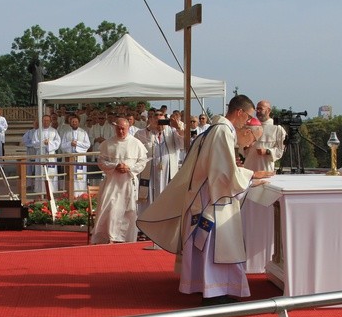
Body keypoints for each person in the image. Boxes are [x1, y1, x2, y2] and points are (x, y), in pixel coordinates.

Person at [137, 95, 273, 305]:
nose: (247, 122)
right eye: (248, 117)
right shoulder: (221, 132)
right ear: (239, 112)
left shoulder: (216, 129)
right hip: (212, 199)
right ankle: (214, 293)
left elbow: (220, 167)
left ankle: (212, 289)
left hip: (206, 196)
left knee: (211, 246)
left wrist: (244, 175)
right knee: (217, 245)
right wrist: (251, 176)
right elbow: (222, 173)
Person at [91, 117, 149, 244]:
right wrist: (114, 166)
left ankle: (126, 238)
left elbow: (142, 161)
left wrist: (130, 168)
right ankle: (110, 237)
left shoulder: (136, 143)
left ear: (128, 128)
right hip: (112, 182)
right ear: (114, 128)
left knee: (129, 211)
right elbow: (101, 162)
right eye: (118, 128)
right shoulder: (108, 143)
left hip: (128, 182)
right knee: (110, 207)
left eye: (123, 128)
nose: (121, 131)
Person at [134, 110, 184, 213]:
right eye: (155, 117)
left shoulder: (172, 132)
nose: (158, 120)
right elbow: (136, 146)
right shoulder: (142, 132)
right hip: (149, 174)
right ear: (150, 119)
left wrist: (178, 128)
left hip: (167, 173)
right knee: (148, 201)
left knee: (167, 200)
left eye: (161, 117)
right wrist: (149, 128)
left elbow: (183, 145)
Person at [243, 100, 286, 172]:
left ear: (268, 110)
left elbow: (281, 149)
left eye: (261, 109)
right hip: (249, 169)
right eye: (257, 109)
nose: (258, 111)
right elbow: (241, 148)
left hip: (265, 169)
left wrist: (267, 151)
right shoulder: (249, 126)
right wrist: (245, 147)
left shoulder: (277, 127)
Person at [27, 114, 61, 194]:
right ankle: (40, 191)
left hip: (51, 155)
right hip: (40, 155)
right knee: (40, 173)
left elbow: (58, 142)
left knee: (51, 174)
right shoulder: (38, 131)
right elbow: (34, 143)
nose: (46, 122)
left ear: (50, 121)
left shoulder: (54, 131)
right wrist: (43, 143)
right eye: (44, 120)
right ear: (42, 121)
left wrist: (49, 143)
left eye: (47, 120)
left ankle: (52, 191)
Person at [60, 115, 91, 193]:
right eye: (73, 121)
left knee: (80, 177)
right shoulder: (66, 133)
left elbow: (87, 145)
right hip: (70, 158)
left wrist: (77, 144)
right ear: (70, 122)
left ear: (79, 123)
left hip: (80, 158)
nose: (74, 123)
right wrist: (70, 144)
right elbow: (62, 146)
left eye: (76, 122)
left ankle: (81, 193)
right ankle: (70, 193)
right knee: (71, 176)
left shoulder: (83, 132)